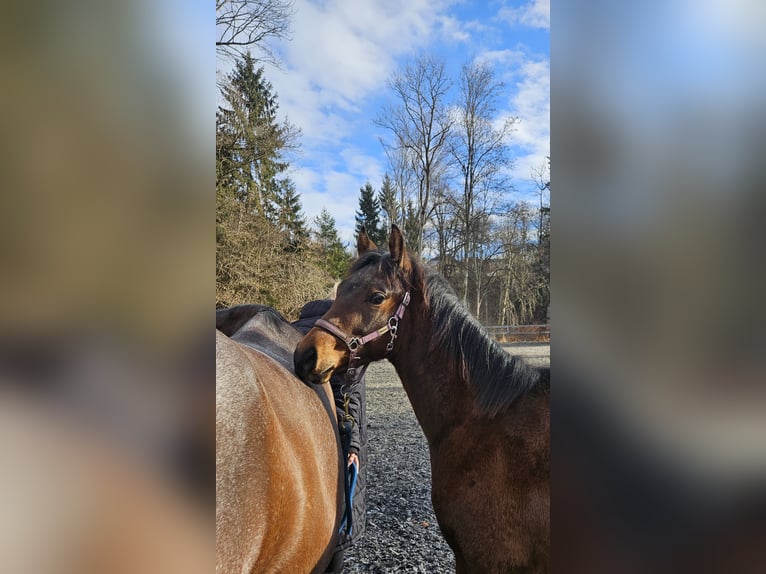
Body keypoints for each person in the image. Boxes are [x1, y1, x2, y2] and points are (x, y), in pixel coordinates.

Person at [293, 299, 368, 574]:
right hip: (333, 452)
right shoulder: (340, 343)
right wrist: (354, 447)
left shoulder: (288, 335)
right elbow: (349, 400)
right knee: (334, 545)